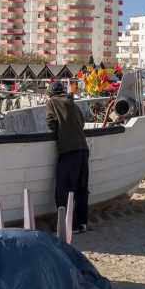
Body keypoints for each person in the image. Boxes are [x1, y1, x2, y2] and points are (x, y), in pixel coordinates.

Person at [45, 80, 90, 232]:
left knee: (64, 190)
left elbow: (51, 123)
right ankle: (83, 223)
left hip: (69, 150)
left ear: (50, 93)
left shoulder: (52, 102)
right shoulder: (72, 103)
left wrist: (60, 130)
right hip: (83, 149)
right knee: (81, 190)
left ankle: (70, 225)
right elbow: (82, 122)